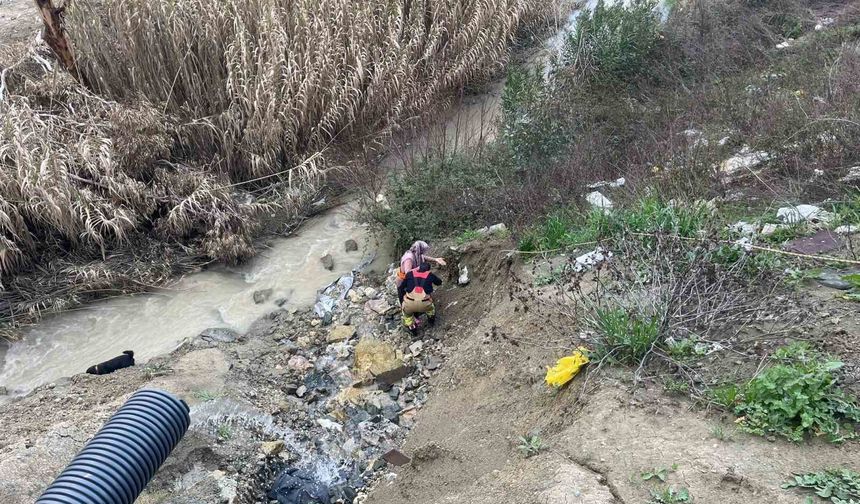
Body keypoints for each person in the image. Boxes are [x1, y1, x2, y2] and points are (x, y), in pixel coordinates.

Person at [398, 263, 443, 333]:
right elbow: (439, 282)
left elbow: (401, 287)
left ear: (418, 268)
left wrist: (402, 300)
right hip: (425, 304)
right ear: (428, 270)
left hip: (409, 304)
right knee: (431, 309)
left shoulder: (409, 274)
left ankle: (413, 330)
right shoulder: (430, 275)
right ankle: (431, 321)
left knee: (407, 315)